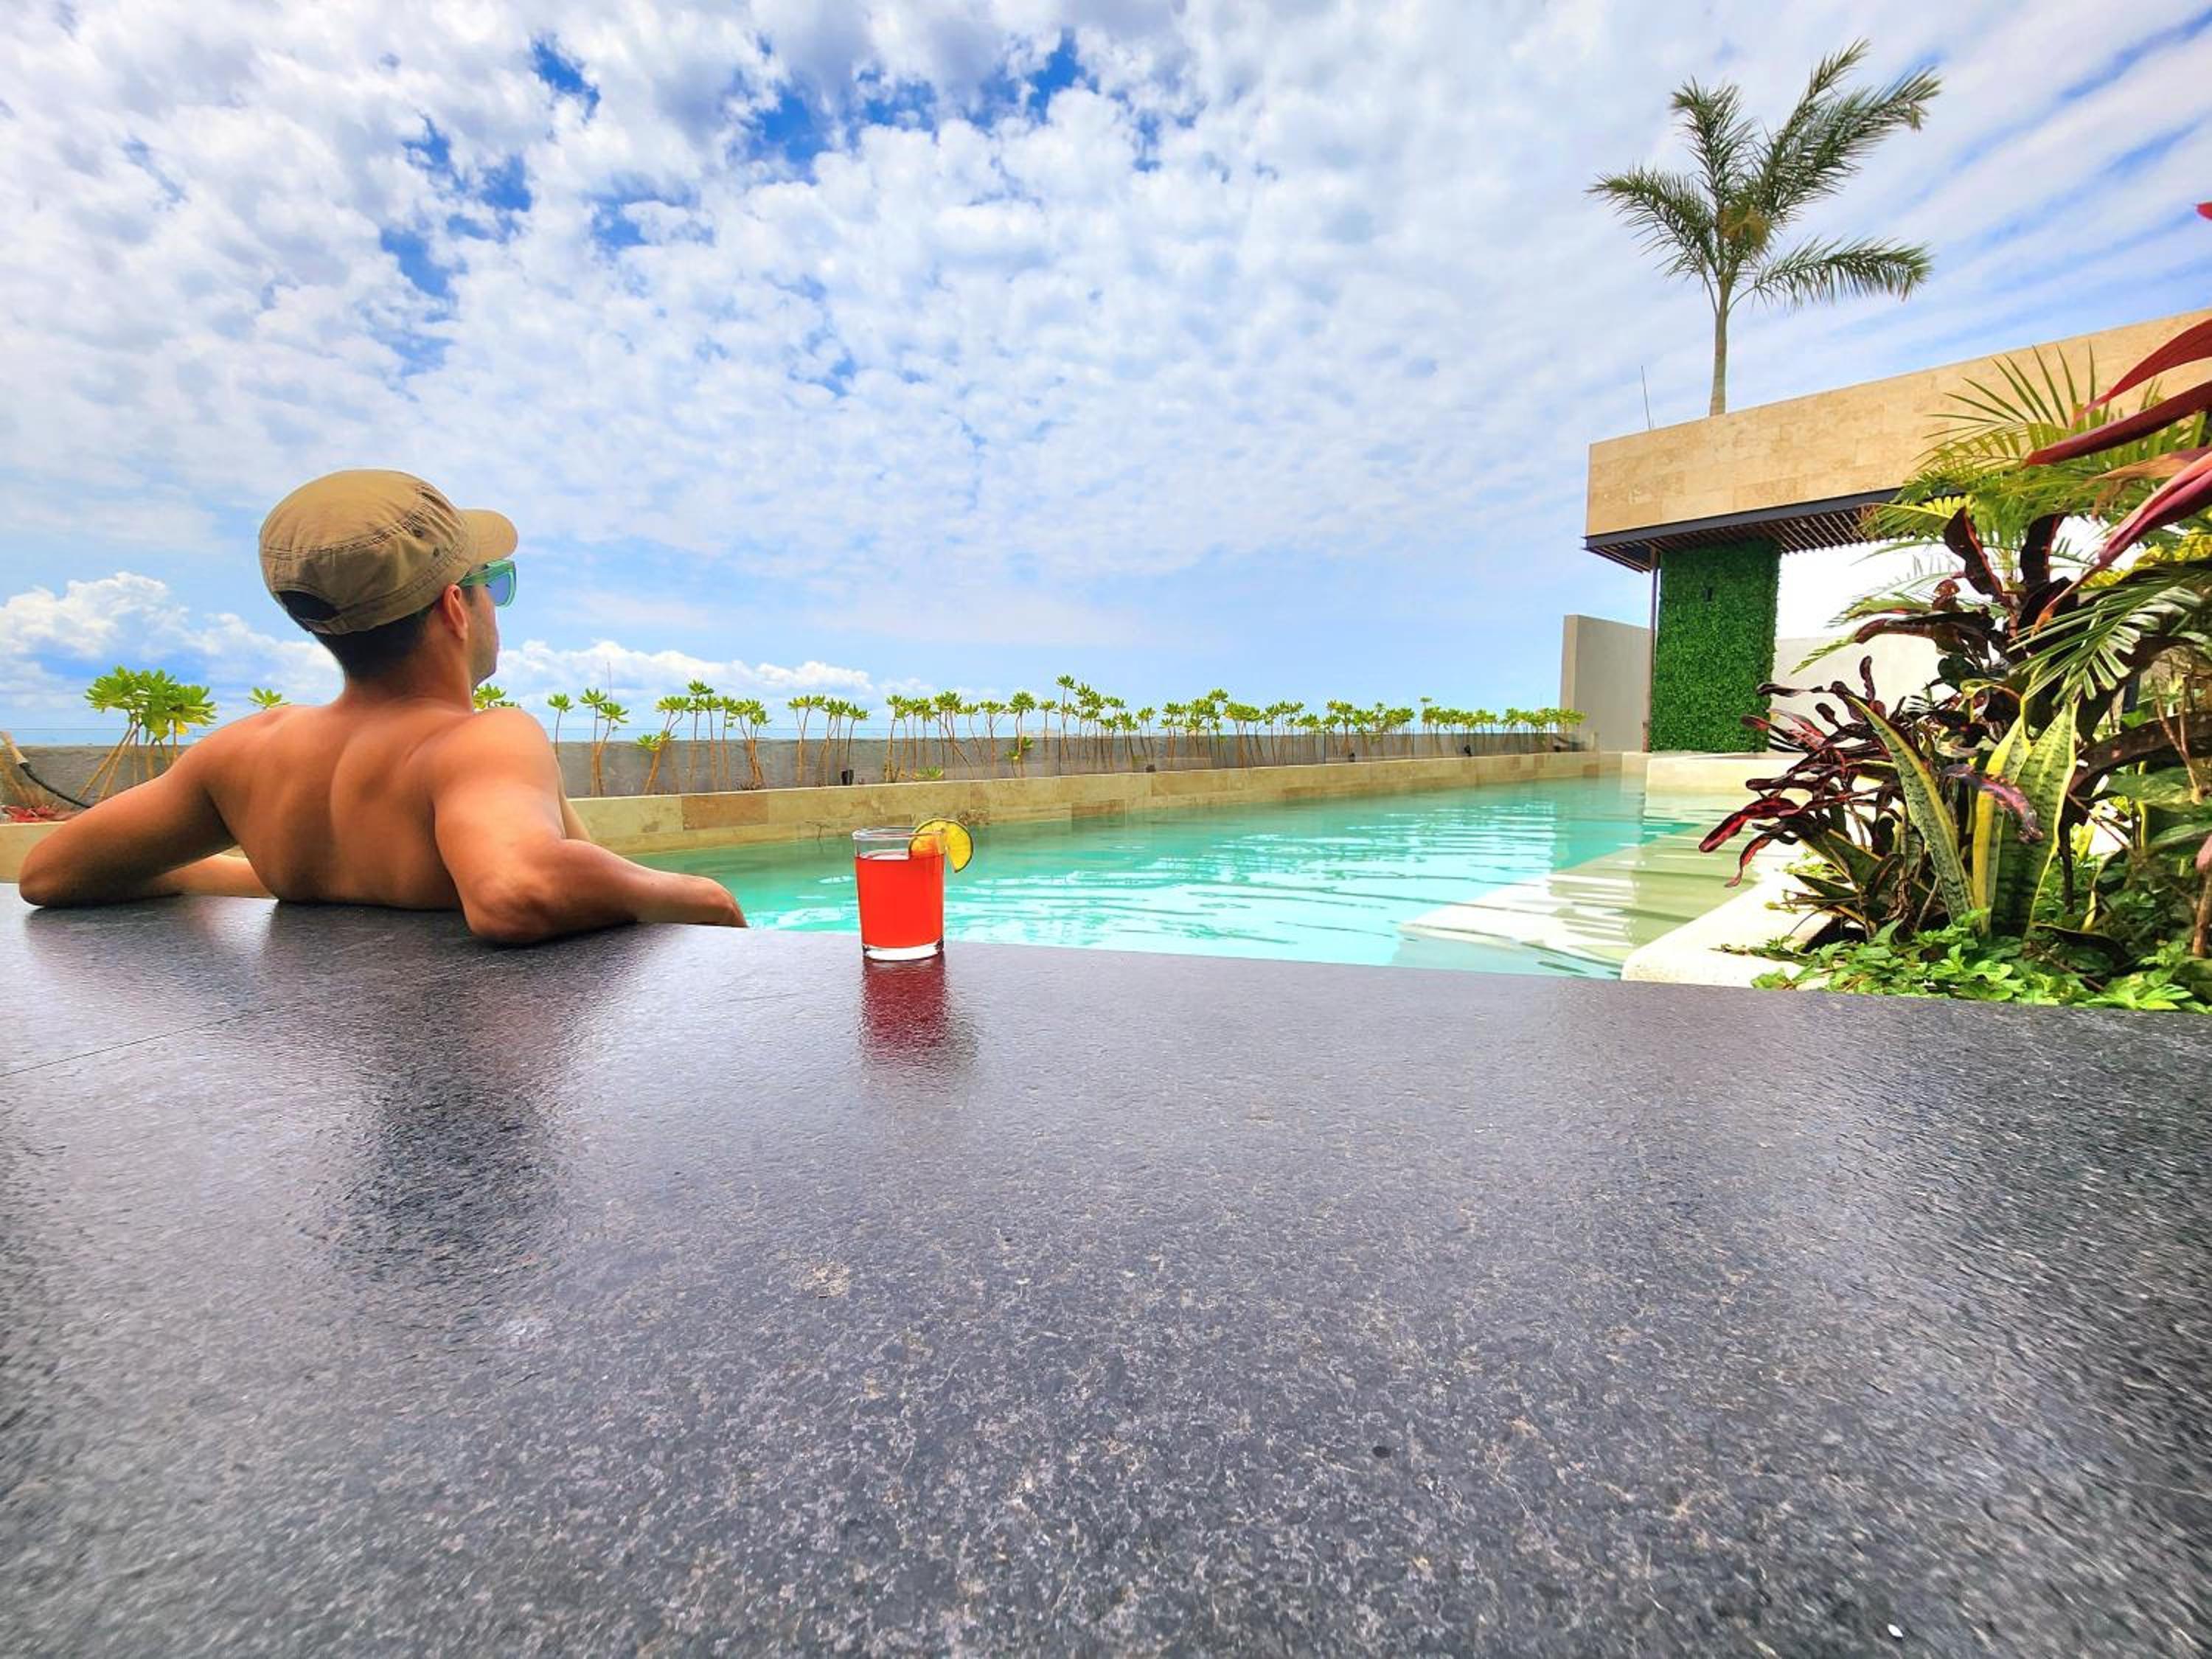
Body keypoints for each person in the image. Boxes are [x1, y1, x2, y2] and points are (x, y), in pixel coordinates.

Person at [18, 469, 744, 942]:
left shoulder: (248, 751)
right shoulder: (481, 741)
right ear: (455, 607)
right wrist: (703, 896)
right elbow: (517, 890)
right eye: (492, 582)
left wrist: (242, 876)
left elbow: (50, 874)